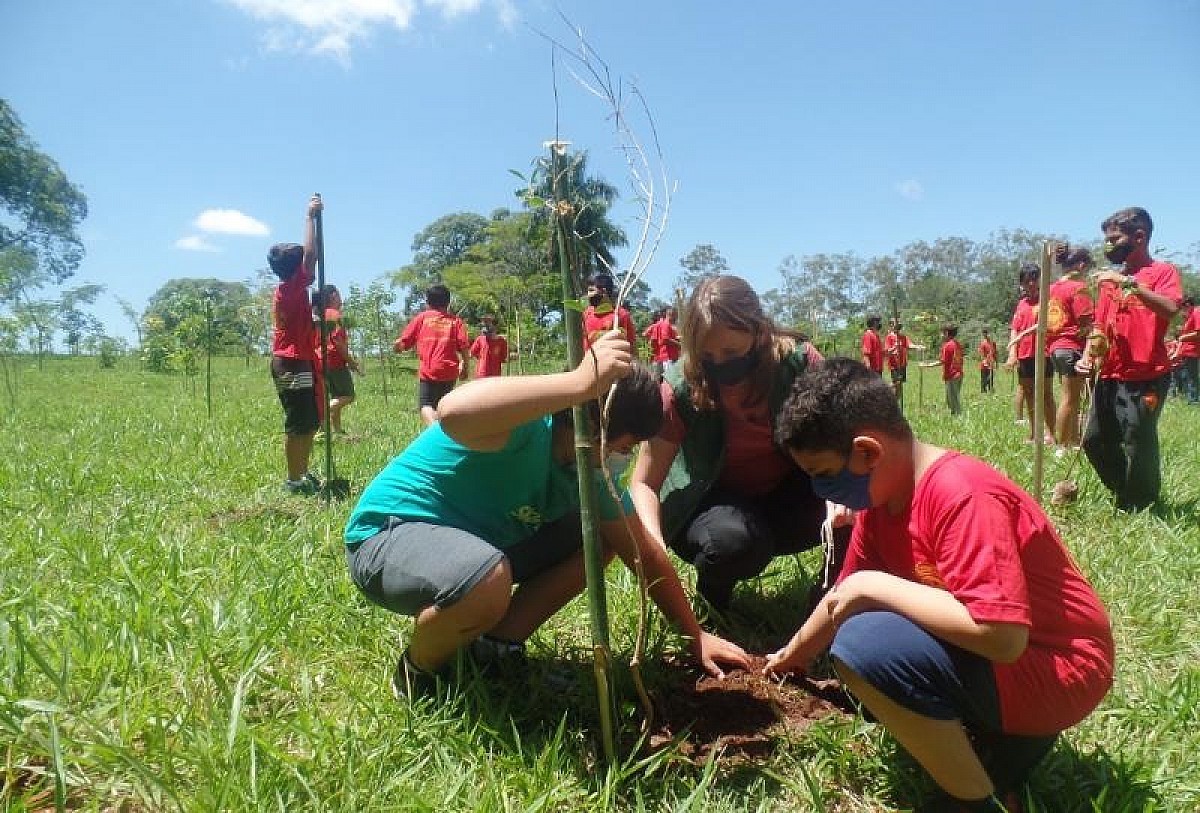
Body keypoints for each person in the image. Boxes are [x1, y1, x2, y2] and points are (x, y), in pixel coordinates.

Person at [765, 359, 1114, 813]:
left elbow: (1004, 638)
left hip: (1059, 670)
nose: (819, 491)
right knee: (872, 655)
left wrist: (875, 586)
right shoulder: (883, 498)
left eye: (824, 474)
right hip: (1019, 664)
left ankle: (973, 802)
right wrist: (789, 658)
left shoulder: (960, 493)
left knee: (864, 647)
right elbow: (842, 597)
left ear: (868, 452)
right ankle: (1002, 750)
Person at [343, 332, 751, 697]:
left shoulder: (588, 477)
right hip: (387, 539)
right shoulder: (522, 426)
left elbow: (643, 553)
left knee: (598, 540)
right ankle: (419, 671)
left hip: (478, 554)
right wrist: (578, 383)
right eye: (621, 446)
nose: (621, 460)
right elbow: (451, 411)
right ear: (591, 427)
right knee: (487, 576)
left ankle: (496, 649)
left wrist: (694, 635)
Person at [628, 275, 845, 612]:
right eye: (707, 355)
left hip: (790, 496)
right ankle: (714, 604)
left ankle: (831, 599)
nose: (720, 363)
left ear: (758, 331)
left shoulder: (799, 365)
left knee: (861, 501)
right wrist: (654, 550)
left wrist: (841, 497)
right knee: (731, 542)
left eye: (730, 351)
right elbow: (643, 483)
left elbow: (845, 441)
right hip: (711, 503)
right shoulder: (680, 387)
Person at [1077, 207, 1182, 511]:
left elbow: (1170, 309)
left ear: (1139, 237)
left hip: (1146, 374)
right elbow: (1100, 325)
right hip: (1109, 373)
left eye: (1114, 239)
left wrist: (1130, 285)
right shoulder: (1111, 279)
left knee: (1138, 441)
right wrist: (1088, 355)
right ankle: (1124, 490)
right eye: (1106, 240)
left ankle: (1142, 504)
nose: (1108, 246)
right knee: (1093, 439)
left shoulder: (1162, 272)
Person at [269, 194, 323, 495]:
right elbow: (312, 255)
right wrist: (310, 216)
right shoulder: (290, 288)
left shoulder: (292, 289)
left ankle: (301, 473)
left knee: (310, 420)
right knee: (299, 421)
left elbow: (310, 258)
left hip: (298, 359)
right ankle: (294, 480)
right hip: (290, 362)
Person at [393, 284, 470, 426]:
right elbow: (464, 347)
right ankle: (444, 431)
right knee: (442, 406)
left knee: (426, 405)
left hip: (429, 371)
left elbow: (404, 343)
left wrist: (397, 346)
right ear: (448, 303)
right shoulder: (455, 321)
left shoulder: (422, 318)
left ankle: (436, 432)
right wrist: (465, 367)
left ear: (428, 303)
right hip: (449, 371)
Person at [1046, 247, 1095, 454]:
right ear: (1082, 265)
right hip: (1072, 346)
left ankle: (1073, 440)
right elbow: (1086, 322)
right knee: (1071, 398)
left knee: (1070, 397)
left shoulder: (1052, 288)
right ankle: (1062, 446)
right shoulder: (1078, 288)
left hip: (1055, 348)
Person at [1004, 263, 1056, 445]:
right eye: (1027, 281)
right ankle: (1035, 433)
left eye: (1035, 279)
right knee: (1028, 394)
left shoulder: (1048, 300)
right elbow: (1015, 330)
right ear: (1022, 284)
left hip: (1044, 353)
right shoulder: (1022, 304)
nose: (1032, 284)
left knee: (1047, 394)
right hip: (1025, 355)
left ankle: (1052, 434)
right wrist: (1012, 354)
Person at [312, 285, 362, 436]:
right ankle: (321, 413)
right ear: (333, 296)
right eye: (339, 294)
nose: (341, 298)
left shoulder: (319, 314)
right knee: (348, 395)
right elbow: (338, 342)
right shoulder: (334, 314)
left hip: (319, 360)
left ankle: (337, 431)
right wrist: (352, 362)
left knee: (336, 396)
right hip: (334, 361)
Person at [582, 272, 637, 355]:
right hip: (589, 362)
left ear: (604, 291)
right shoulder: (587, 313)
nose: (588, 295)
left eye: (591, 290)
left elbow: (631, 343)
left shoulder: (621, 314)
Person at [884, 319, 922, 410]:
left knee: (900, 385)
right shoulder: (889, 337)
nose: (898, 326)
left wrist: (918, 347)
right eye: (896, 324)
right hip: (894, 365)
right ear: (891, 325)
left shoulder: (903, 337)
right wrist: (894, 348)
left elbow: (909, 345)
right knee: (896, 383)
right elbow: (887, 351)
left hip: (902, 364)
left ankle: (895, 404)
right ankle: (886, 392)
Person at [643, 306, 682, 380]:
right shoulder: (666, 324)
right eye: (676, 316)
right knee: (669, 380)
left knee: (659, 380)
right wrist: (679, 345)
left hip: (661, 357)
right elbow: (665, 339)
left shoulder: (660, 325)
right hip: (668, 357)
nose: (676, 318)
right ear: (671, 314)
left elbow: (654, 339)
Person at [468, 314, 509, 379]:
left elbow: (504, 358)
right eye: (484, 324)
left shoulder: (502, 341)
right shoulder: (480, 339)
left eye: (487, 323)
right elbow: (471, 354)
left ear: (495, 326)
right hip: (482, 375)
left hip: (495, 376)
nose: (485, 327)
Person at [1176, 295, 1199, 404]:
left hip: (1193, 352)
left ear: (1188, 305)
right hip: (1186, 353)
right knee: (1185, 376)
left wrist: (1182, 337)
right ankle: (1188, 398)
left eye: (1183, 307)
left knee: (1191, 377)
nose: (1182, 310)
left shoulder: (1197, 312)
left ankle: (1193, 400)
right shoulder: (1189, 317)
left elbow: (1198, 333)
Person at [977, 329, 997, 394]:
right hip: (984, 364)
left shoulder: (993, 343)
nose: (986, 335)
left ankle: (991, 390)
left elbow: (995, 353)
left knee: (990, 377)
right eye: (984, 334)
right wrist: (984, 361)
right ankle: (983, 391)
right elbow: (981, 353)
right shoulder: (982, 343)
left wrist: (996, 362)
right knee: (984, 377)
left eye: (987, 333)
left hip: (991, 363)